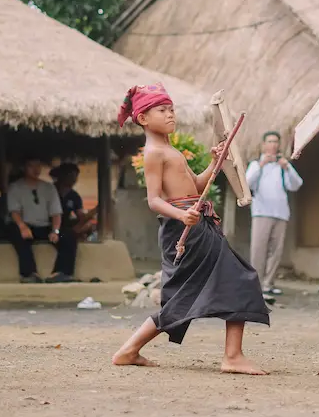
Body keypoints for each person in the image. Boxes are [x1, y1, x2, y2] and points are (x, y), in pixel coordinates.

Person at [112, 84, 269, 374]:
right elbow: (154, 200)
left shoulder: (170, 150)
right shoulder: (153, 153)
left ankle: (129, 350)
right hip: (184, 229)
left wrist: (215, 163)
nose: (170, 114)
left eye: (171, 109)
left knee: (192, 292)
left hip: (195, 224)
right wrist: (182, 216)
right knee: (239, 280)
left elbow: (197, 186)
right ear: (143, 118)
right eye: (162, 110)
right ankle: (232, 357)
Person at [246, 131, 303, 298]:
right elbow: (247, 182)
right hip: (261, 212)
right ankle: (255, 285)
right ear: (264, 145)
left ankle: (269, 284)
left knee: (276, 251)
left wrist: (287, 167)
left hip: (281, 213)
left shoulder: (283, 164)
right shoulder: (256, 164)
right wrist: (262, 164)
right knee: (258, 250)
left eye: (276, 142)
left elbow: (296, 184)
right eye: (270, 141)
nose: (273, 144)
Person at [5, 157, 64, 283]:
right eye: (31, 166)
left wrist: (56, 231)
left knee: (69, 236)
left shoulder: (49, 188)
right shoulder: (15, 187)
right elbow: (14, 211)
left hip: (44, 226)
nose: (35, 169)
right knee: (16, 233)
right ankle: (29, 274)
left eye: (38, 165)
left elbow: (56, 213)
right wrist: (22, 226)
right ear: (24, 168)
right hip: (25, 225)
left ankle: (62, 272)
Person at [50, 163, 96, 281]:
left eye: (76, 176)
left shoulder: (74, 196)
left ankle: (64, 273)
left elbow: (81, 216)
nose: (74, 179)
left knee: (87, 226)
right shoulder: (50, 190)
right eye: (70, 175)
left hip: (65, 224)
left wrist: (94, 212)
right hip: (49, 224)